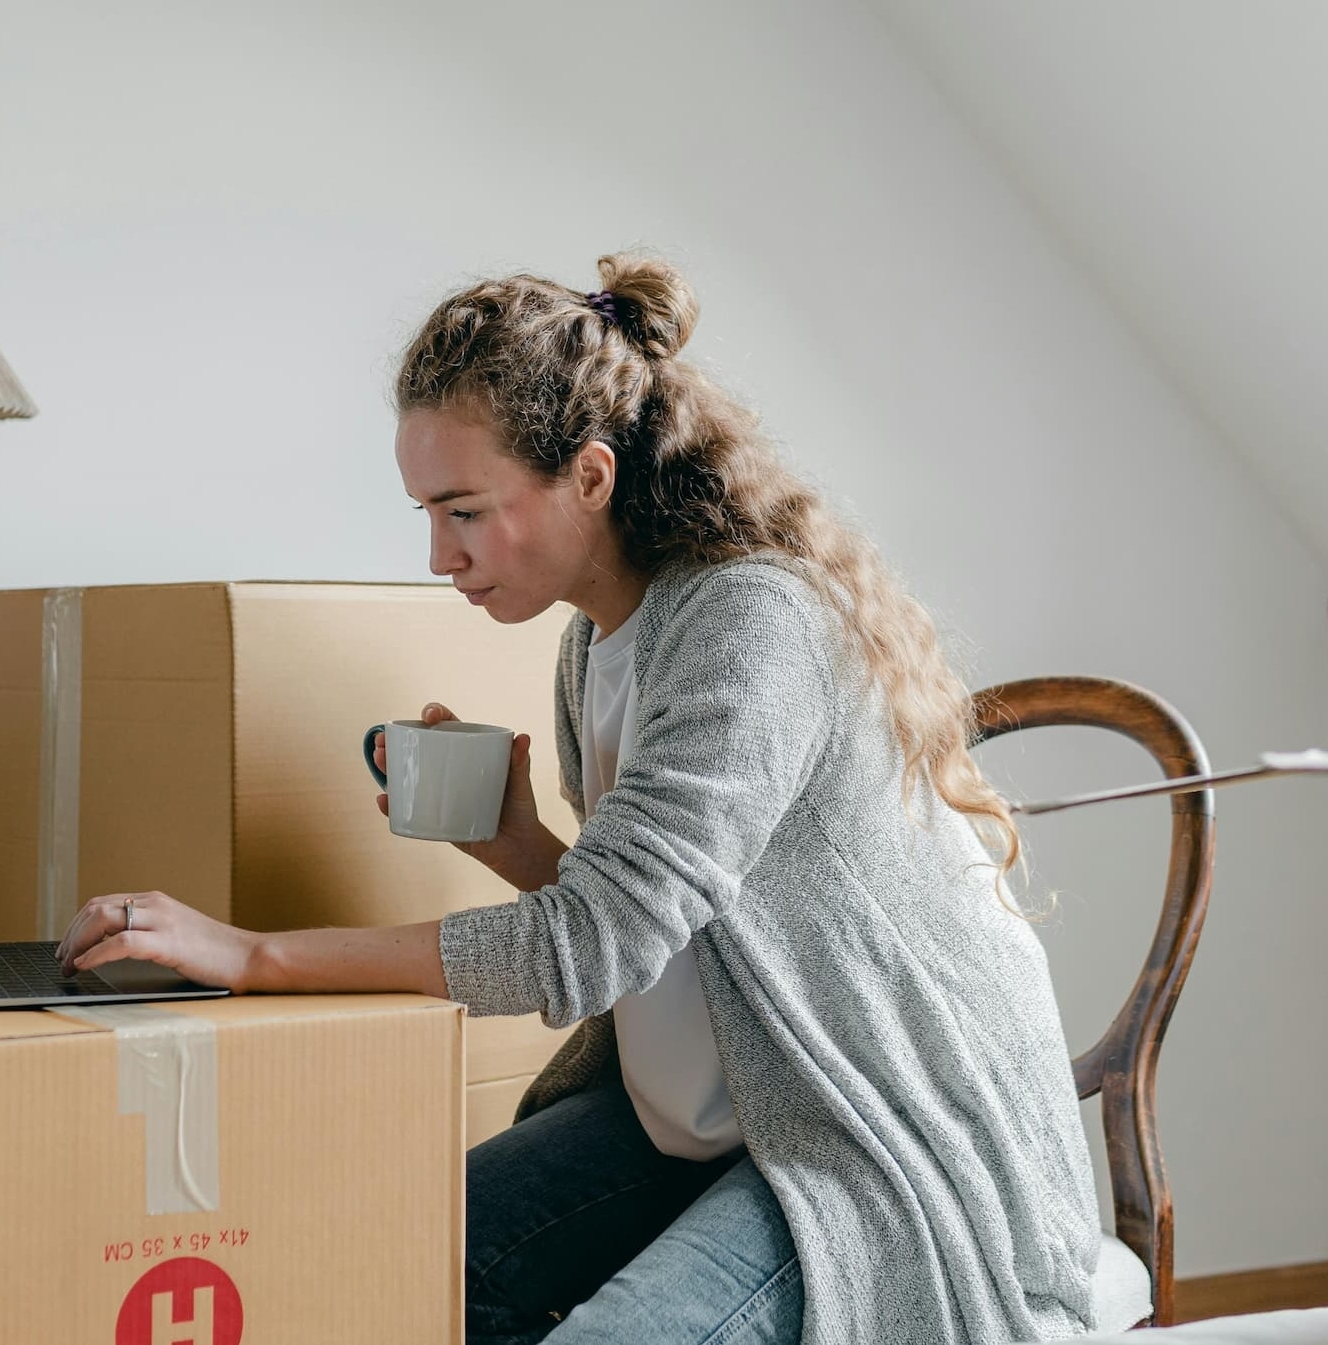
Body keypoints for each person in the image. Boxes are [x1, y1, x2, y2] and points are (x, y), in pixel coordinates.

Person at [57, 254, 1102, 1345]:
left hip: (866, 1124)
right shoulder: (590, 643)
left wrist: (250, 955)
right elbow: (657, 931)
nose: (436, 555)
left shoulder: (748, 621)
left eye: (464, 510)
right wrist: (517, 842)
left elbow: (585, 949)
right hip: (729, 1093)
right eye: (426, 511)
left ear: (589, 477)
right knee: (392, 1268)